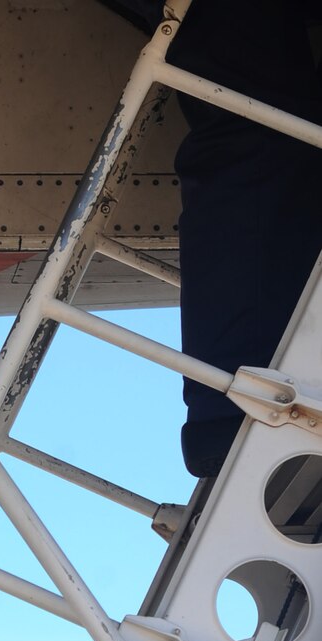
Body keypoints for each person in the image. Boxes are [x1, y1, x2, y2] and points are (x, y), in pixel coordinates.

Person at [96, 0, 322, 476]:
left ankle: (236, 410)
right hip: (254, 411)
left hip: (255, 411)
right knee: (262, 137)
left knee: (261, 135)